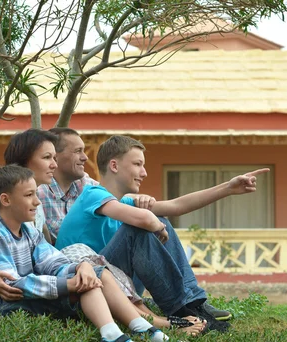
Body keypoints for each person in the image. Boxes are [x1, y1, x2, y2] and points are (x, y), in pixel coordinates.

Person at [0, 129, 206, 336]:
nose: (54, 163)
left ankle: (183, 304)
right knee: (80, 253)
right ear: (26, 162)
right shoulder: (5, 200)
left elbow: (108, 194)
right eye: (47, 158)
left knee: (85, 256)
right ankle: (147, 318)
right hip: (18, 282)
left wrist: (139, 200)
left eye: (54, 157)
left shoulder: (63, 192)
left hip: (53, 270)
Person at [55, 135, 270, 331]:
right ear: (114, 165)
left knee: (160, 219)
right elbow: (144, 220)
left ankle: (194, 303)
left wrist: (229, 188)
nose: (144, 173)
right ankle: (181, 310)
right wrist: (153, 223)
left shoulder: (125, 202)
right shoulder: (92, 194)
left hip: (118, 284)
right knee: (140, 227)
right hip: (86, 289)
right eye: (138, 164)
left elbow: (176, 205)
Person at [0, 165, 167, 342]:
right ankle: (117, 339)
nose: (37, 202)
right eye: (28, 195)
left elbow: (53, 262)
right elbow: (10, 286)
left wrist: (81, 267)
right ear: (5, 200)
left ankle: (137, 329)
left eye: (36, 194)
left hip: (21, 295)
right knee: (83, 284)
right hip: (0, 304)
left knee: (93, 275)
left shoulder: (30, 232)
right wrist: (69, 284)